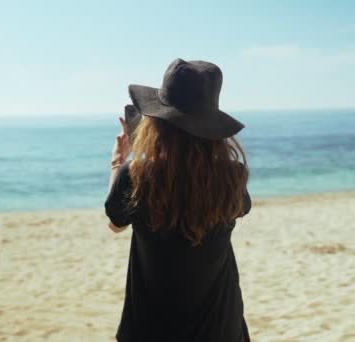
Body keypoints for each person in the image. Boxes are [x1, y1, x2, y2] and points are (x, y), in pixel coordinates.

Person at [105, 58, 252, 342]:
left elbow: (116, 224)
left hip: (152, 329)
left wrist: (117, 164)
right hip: (219, 328)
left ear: (155, 123)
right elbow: (237, 208)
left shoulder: (137, 176)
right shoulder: (232, 177)